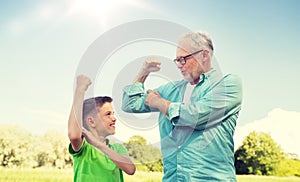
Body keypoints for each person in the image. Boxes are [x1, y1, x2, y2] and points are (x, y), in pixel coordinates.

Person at [122, 32, 242, 181]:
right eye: (177, 60)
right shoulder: (171, 90)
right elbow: (130, 104)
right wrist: (143, 72)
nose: (179, 65)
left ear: (204, 55)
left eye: (183, 59)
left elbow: (195, 117)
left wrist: (159, 103)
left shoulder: (228, 84)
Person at [68, 75, 136, 182]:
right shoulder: (84, 148)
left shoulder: (116, 148)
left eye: (113, 114)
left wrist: (99, 145)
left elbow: (131, 169)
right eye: (108, 114)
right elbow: (73, 135)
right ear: (91, 121)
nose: (114, 118)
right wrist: (80, 89)